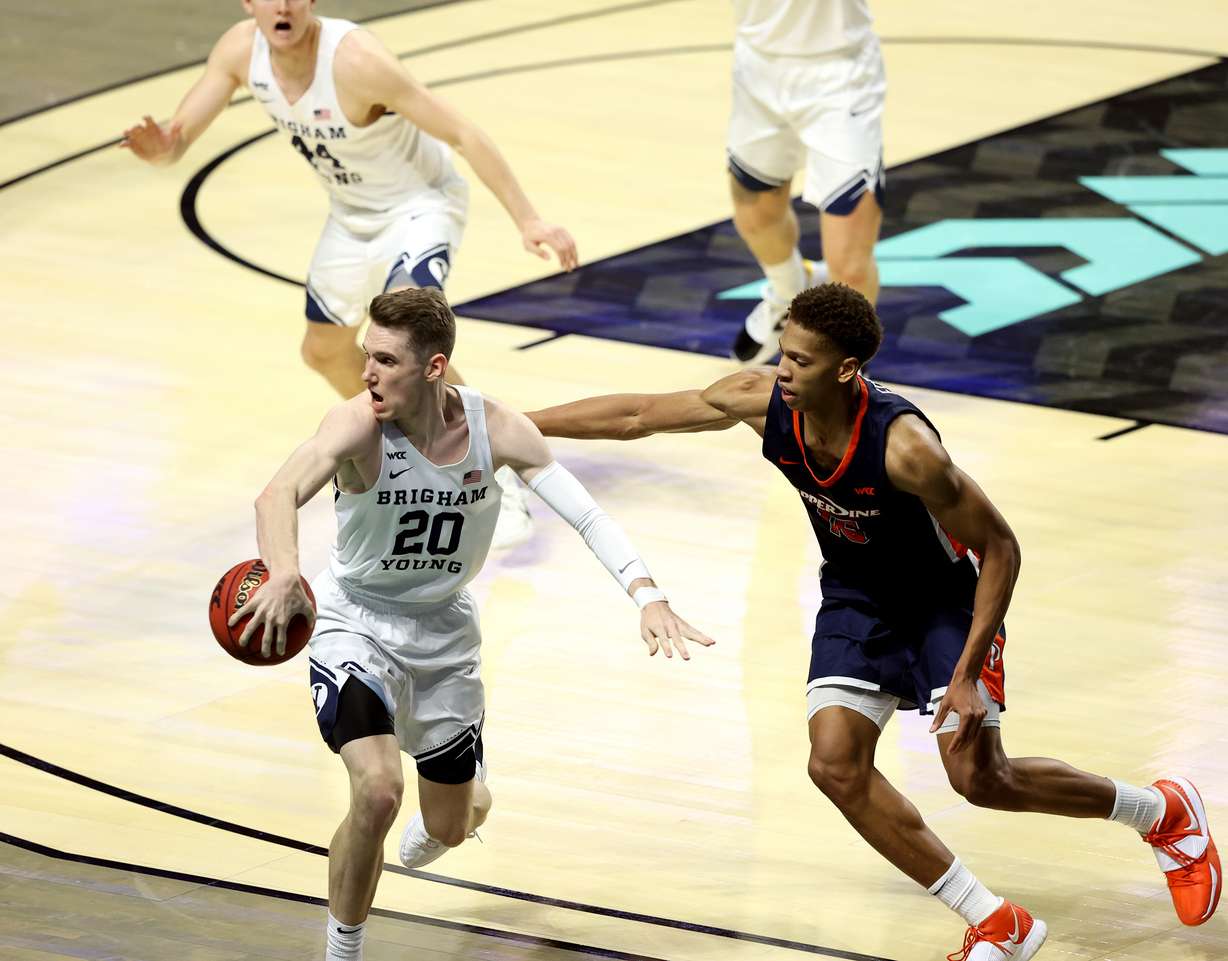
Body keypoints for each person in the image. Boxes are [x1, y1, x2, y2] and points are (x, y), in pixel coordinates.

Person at [526, 283, 1220, 960]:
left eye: (800, 360)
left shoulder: (907, 448)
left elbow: (1000, 545)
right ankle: (996, 921)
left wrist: (968, 672)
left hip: (942, 602)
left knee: (980, 780)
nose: (784, 370)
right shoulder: (759, 398)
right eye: (784, 353)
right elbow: (637, 414)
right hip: (855, 597)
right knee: (834, 764)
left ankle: (1159, 810)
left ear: (847, 368)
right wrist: (516, 426)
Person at [231, 287, 712, 961]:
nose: (367, 372)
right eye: (367, 355)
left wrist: (647, 593)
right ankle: (342, 951)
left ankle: (465, 798)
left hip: (444, 637)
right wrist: (283, 569)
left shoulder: (498, 429)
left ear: (433, 368)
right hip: (357, 623)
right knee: (376, 791)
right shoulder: (357, 423)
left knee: (450, 826)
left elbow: (586, 514)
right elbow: (276, 491)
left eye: (386, 360)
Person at [122, 0, 576, 547]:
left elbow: (462, 133)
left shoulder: (356, 60)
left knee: (407, 342)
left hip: (419, 204)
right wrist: (160, 150)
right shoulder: (240, 50)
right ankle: (409, 448)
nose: (283, 6)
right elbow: (175, 143)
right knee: (324, 352)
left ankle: (490, 474)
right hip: (351, 216)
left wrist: (529, 219)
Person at [726, 0, 886, 364]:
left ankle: (848, 384)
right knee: (755, 215)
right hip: (758, 66)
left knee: (849, 265)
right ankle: (788, 294)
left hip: (841, 76)